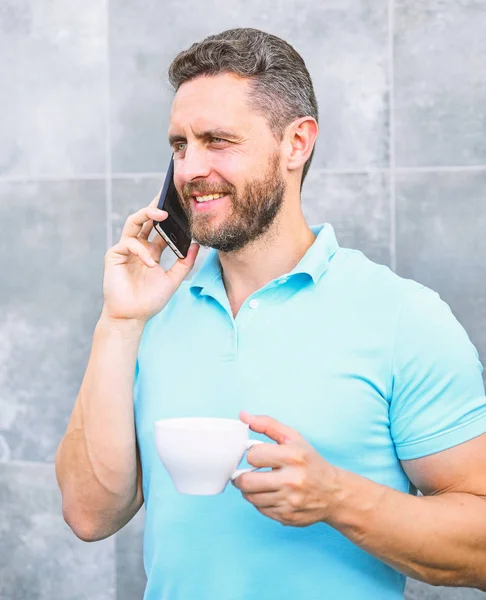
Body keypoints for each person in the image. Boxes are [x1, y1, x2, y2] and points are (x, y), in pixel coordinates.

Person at [55, 28, 486, 600]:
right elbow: (89, 515)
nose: (188, 170)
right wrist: (118, 323)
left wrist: (337, 498)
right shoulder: (149, 310)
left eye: (217, 141)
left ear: (296, 143)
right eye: (180, 145)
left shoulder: (404, 317)